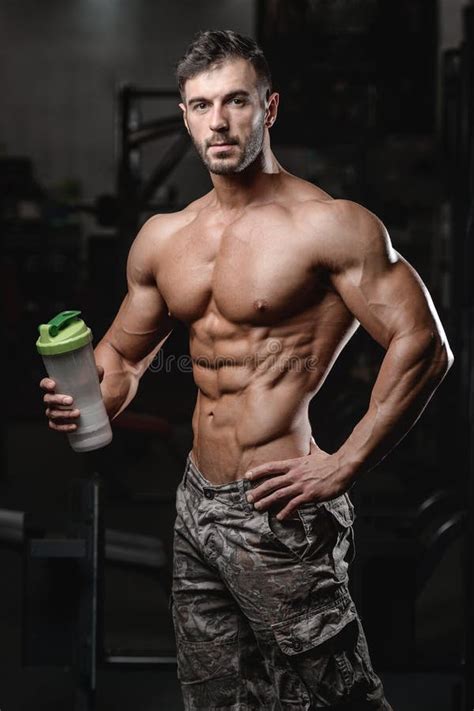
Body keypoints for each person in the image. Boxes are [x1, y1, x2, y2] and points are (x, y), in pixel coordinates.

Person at [41, 30, 453, 710]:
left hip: (278, 506)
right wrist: (88, 398)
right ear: (184, 115)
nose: (219, 121)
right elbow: (121, 357)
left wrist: (344, 462)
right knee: (218, 699)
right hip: (195, 501)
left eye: (236, 101)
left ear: (269, 108)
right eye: (202, 105)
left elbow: (423, 343)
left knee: (336, 697)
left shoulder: (329, 225)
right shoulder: (164, 237)